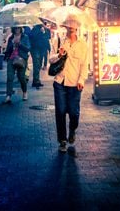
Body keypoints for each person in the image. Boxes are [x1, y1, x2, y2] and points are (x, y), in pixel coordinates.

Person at [49, 15, 88, 154]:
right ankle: (62, 140)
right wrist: (58, 55)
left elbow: (84, 66)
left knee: (74, 112)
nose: (71, 26)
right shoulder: (58, 41)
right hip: (60, 81)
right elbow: (51, 59)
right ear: (65, 26)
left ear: (77, 26)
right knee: (60, 111)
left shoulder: (83, 45)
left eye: (74, 23)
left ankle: (72, 130)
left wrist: (82, 80)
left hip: (75, 83)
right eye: (68, 24)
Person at [3, 26, 30, 104]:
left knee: (21, 77)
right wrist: (12, 44)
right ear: (13, 29)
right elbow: (8, 49)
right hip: (11, 59)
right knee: (10, 77)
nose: (17, 30)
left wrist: (20, 44)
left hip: (21, 59)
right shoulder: (11, 37)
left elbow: (28, 48)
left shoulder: (25, 37)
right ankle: (8, 96)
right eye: (15, 28)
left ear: (21, 29)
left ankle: (24, 92)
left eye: (18, 28)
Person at [29, 24, 46, 88]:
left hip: (40, 49)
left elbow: (45, 38)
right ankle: (36, 81)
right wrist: (41, 32)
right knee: (36, 65)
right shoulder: (35, 29)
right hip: (35, 49)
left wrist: (43, 32)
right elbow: (33, 37)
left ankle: (36, 80)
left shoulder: (41, 29)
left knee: (38, 65)